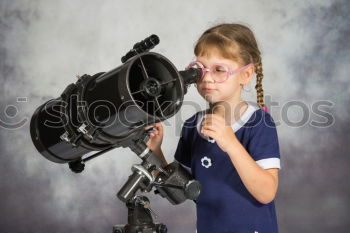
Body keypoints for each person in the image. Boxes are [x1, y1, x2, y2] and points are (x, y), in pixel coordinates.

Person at [145, 23, 281, 233]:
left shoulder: (259, 123)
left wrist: (230, 143)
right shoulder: (192, 126)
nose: (207, 78)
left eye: (219, 70)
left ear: (246, 75)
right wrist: (155, 152)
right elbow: (181, 190)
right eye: (200, 69)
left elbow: (266, 193)